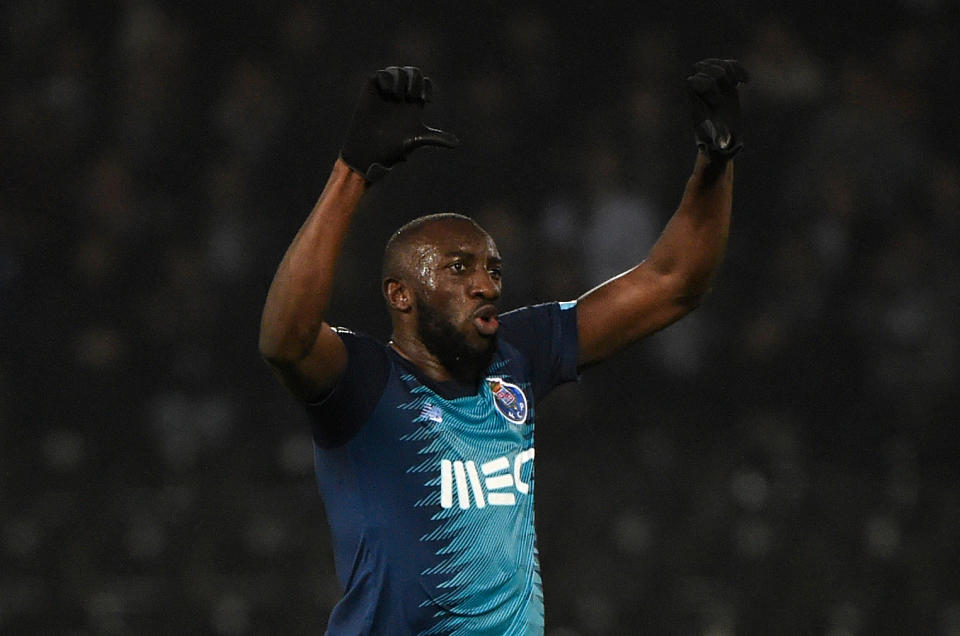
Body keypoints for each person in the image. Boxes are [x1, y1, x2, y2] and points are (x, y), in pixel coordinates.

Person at [258, 61, 748, 635]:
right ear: (401, 294)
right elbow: (285, 339)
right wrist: (351, 175)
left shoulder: (516, 355)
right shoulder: (365, 382)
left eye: (493, 268)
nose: (486, 284)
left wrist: (716, 162)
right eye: (459, 268)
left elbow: (674, 282)